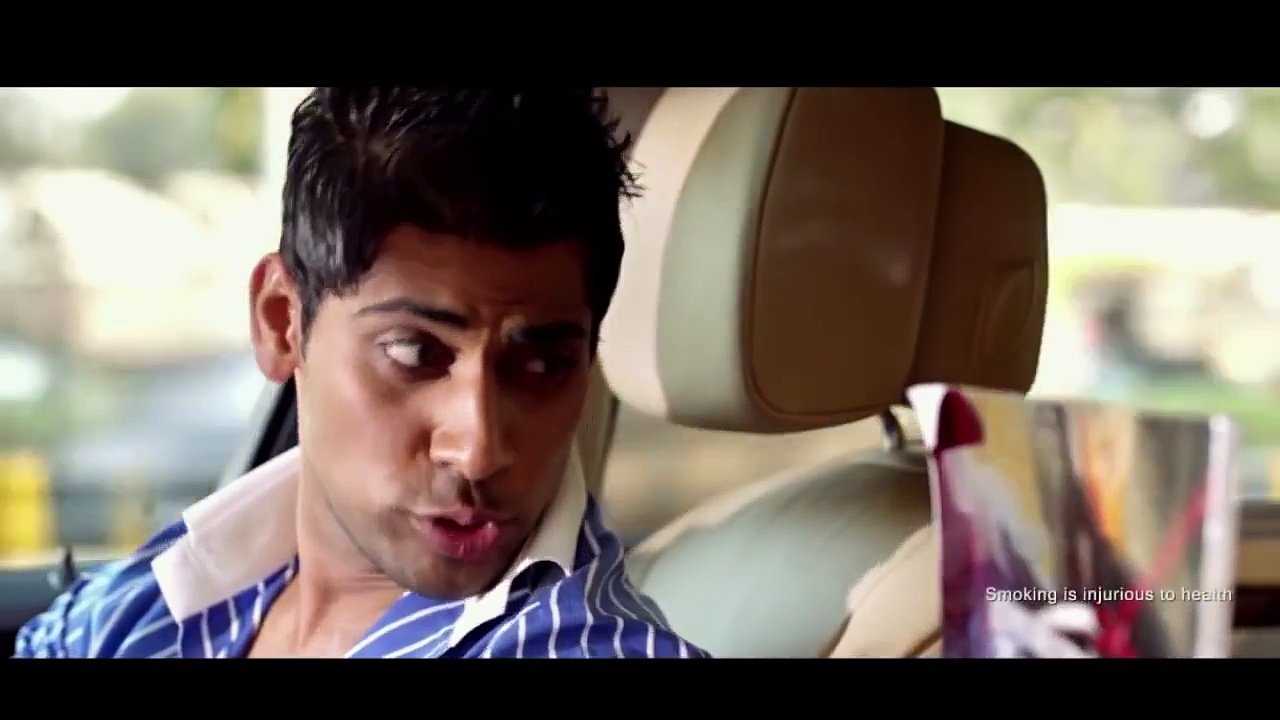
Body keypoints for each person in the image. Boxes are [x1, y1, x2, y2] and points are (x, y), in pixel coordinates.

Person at [13, 87, 709, 659]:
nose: (478, 449)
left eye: (542, 364)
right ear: (282, 322)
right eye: (414, 353)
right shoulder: (147, 601)